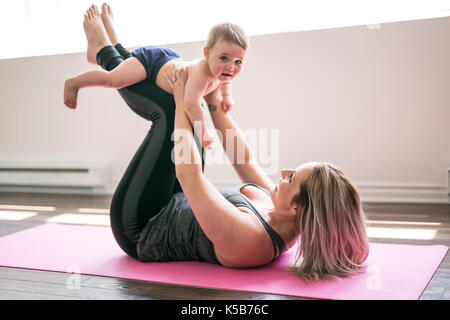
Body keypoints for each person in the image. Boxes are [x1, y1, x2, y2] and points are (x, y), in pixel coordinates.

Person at [75, 3, 369, 283]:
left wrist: (182, 101)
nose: (283, 174)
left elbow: (188, 175)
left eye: (292, 177)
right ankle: (117, 52)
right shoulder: (283, 210)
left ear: (297, 207)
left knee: (169, 109)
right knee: (191, 100)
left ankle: (104, 52)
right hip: (173, 199)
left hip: (143, 225)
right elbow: (243, 158)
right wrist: (214, 104)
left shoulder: (252, 240)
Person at [64, 4, 248, 150]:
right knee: (114, 79)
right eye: (224, 58)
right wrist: (203, 132)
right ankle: (75, 83)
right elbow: (191, 105)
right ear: (206, 53)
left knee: (123, 66)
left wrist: (226, 96)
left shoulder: (221, 73)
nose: (231, 67)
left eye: (238, 61)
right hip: (152, 63)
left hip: (169, 61)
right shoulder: (201, 74)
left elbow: (225, 82)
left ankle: (108, 40)